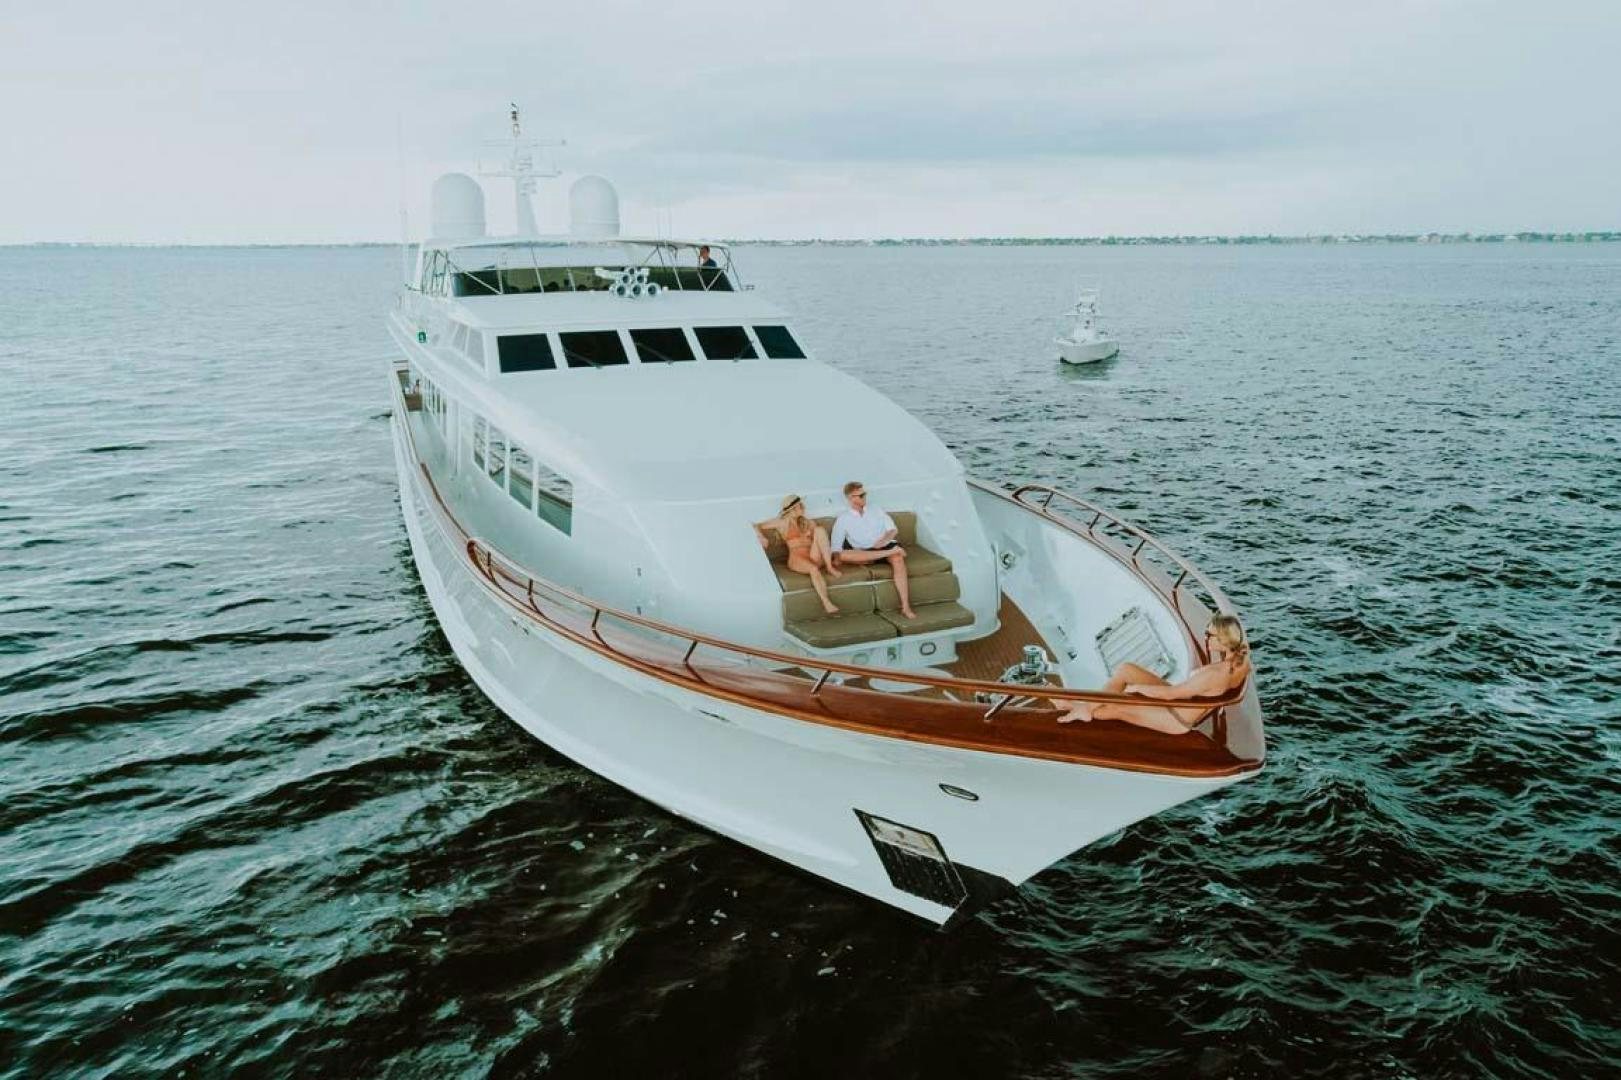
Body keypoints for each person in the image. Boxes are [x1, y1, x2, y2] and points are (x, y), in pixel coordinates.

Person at [1056, 614, 1251, 732]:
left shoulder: (1215, 674)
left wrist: (1136, 688)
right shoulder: (1241, 661)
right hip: (1182, 701)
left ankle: (1077, 707)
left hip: (1175, 718)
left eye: (1210, 635)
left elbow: (1169, 695)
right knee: (1126, 669)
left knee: (1115, 708)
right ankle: (1083, 708)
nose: (1205, 637)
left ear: (1224, 639)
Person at [830, 481, 916, 620]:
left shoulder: (876, 508)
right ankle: (893, 551)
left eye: (865, 494)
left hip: (885, 544)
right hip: (865, 552)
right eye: (861, 495)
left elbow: (892, 529)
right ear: (851, 498)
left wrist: (882, 541)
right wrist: (835, 560)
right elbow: (835, 546)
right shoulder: (843, 519)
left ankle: (905, 607)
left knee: (898, 560)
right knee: (843, 555)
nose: (865, 497)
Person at [755, 494, 842, 615]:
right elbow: (756, 525)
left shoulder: (808, 522)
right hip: (797, 558)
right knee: (813, 569)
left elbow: (821, 542)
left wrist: (811, 535)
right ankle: (826, 602)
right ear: (792, 509)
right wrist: (761, 537)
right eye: (800, 506)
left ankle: (829, 567)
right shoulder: (782, 523)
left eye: (801, 505)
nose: (803, 507)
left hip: (813, 556)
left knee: (820, 530)